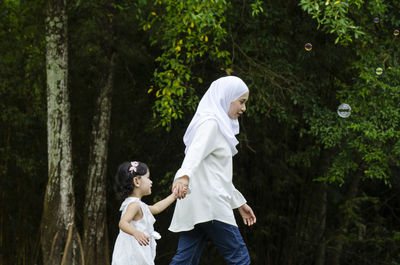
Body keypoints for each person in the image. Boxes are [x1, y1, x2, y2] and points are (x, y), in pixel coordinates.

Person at [169, 76, 257, 265]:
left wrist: (239, 204)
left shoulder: (217, 126)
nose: (244, 108)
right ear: (226, 97)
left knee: (185, 260)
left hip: (197, 205)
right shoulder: (211, 124)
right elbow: (194, 152)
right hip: (211, 205)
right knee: (239, 258)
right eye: (241, 102)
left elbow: (216, 175)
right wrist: (183, 176)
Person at [112, 161, 176, 265]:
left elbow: (156, 208)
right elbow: (122, 223)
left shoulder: (139, 205)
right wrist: (136, 233)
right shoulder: (134, 205)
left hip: (138, 253)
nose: (151, 182)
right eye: (148, 178)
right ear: (137, 181)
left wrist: (174, 196)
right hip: (132, 255)